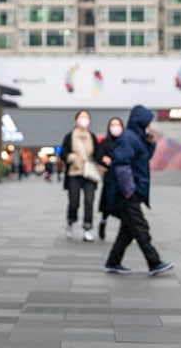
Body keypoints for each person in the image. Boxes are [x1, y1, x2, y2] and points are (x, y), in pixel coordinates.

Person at [103, 105, 174, 276]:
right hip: (127, 194)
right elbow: (121, 165)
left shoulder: (136, 138)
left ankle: (113, 262)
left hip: (131, 191)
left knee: (127, 231)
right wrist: (129, 191)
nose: (150, 126)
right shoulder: (128, 138)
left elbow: (142, 160)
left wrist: (150, 144)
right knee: (141, 228)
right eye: (148, 122)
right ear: (140, 122)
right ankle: (154, 262)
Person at [59, 110, 102, 242]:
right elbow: (63, 153)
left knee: (89, 201)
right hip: (74, 173)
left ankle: (87, 228)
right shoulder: (70, 136)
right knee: (74, 202)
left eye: (87, 118)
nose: (84, 120)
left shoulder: (92, 136)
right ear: (76, 120)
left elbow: (98, 153)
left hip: (89, 173)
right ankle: (70, 222)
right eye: (82, 117)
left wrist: (100, 160)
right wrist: (71, 157)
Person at [96, 117, 124, 241]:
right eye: (113, 125)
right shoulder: (105, 142)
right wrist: (103, 159)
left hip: (123, 178)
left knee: (123, 205)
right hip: (109, 177)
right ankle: (103, 222)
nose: (115, 127)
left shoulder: (125, 141)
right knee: (107, 203)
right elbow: (98, 155)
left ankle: (125, 228)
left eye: (118, 125)